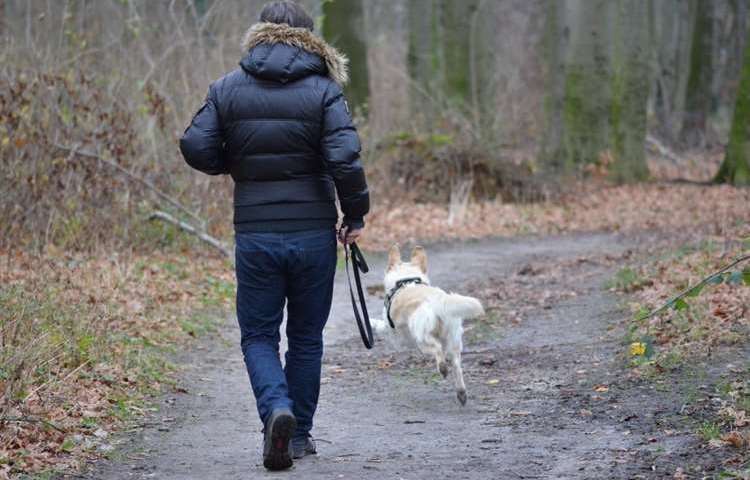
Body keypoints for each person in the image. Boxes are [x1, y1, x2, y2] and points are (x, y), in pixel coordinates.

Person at [179, 0, 369, 471]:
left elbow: (195, 145)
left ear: (258, 34)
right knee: (306, 337)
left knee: (259, 335)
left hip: (257, 232)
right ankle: (299, 433)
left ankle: (275, 410)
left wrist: (236, 163)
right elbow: (345, 159)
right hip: (312, 234)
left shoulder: (227, 88)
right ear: (311, 39)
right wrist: (356, 214)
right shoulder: (325, 91)